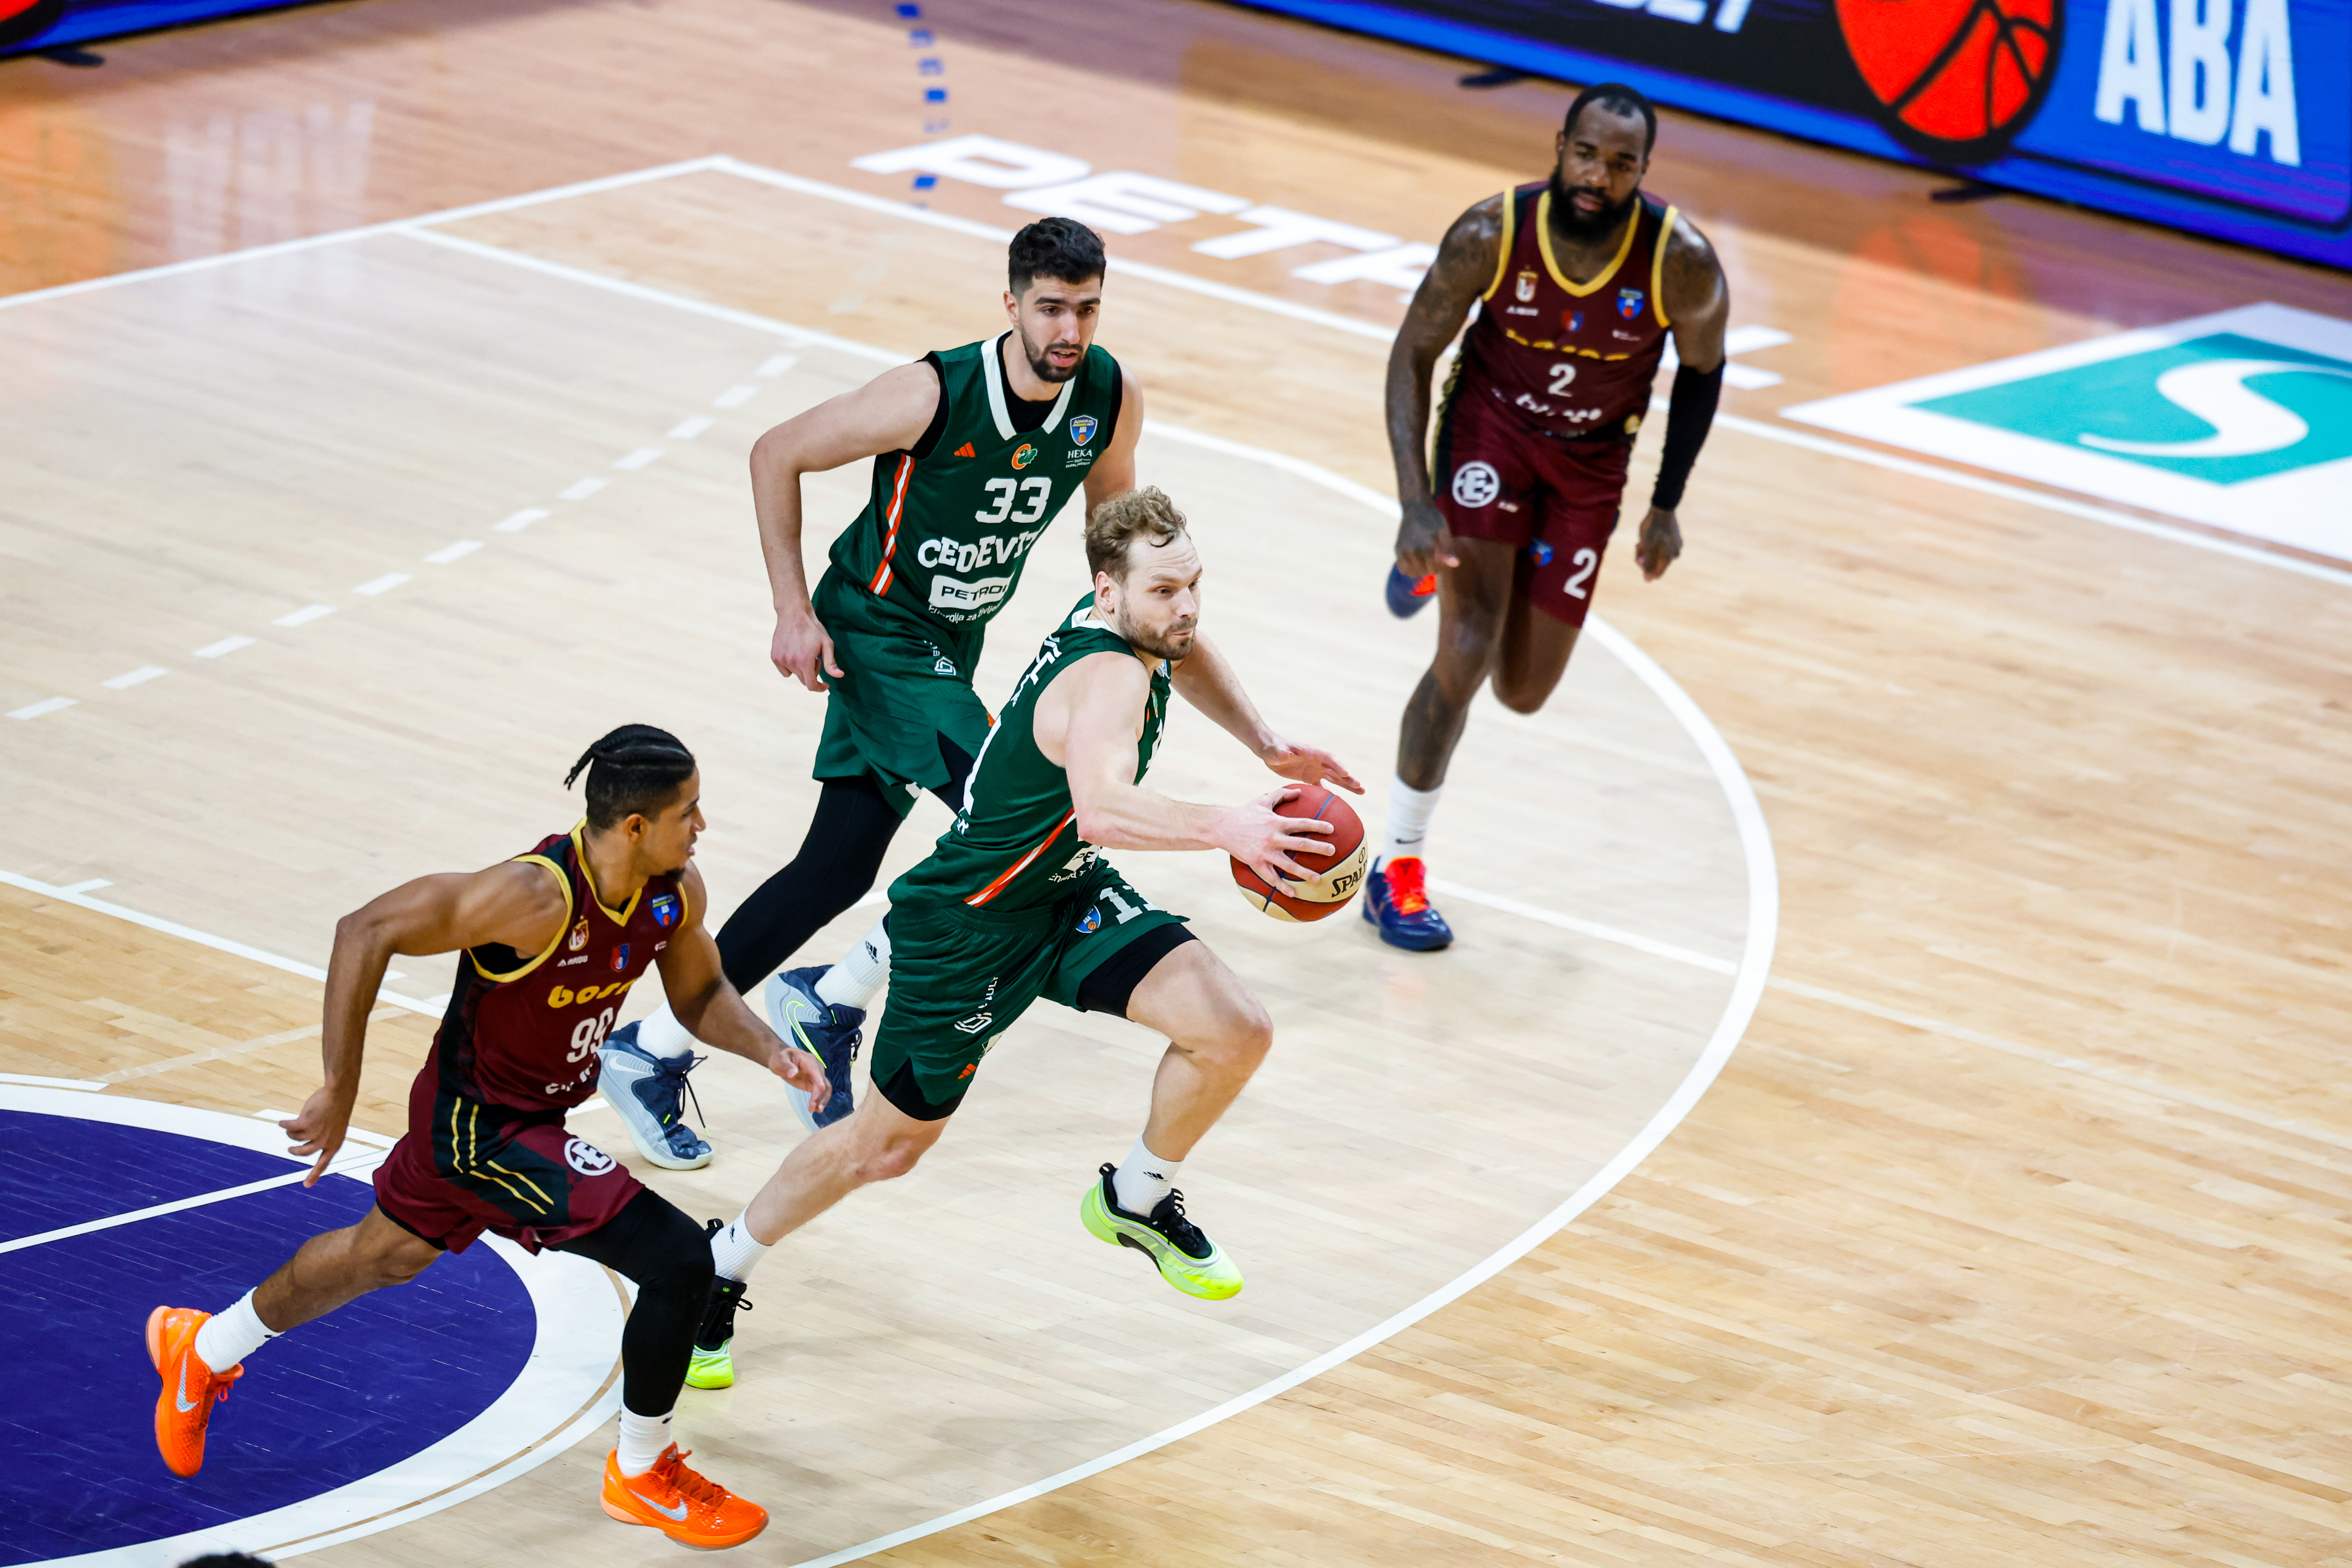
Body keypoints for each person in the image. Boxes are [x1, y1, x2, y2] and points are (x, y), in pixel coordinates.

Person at [682, 488, 1360, 1389]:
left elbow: (1186, 653)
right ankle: (720, 1262)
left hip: (1065, 895)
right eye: (1165, 591)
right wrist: (1229, 825)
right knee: (881, 1149)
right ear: (1107, 593)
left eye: (1194, 583)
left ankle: (1136, 1196)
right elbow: (1103, 809)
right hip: (967, 926)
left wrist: (1266, 741)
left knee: (1235, 1027)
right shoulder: (1109, 673)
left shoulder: (1136, 625)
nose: (1187, 607)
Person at [144, 727, 829, 1552]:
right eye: (688, 810)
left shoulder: (672, 890)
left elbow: (699, 990)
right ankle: (642, 1470)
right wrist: (339, 1085)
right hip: (479, 1128)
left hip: (527, 1119)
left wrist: (769, 1048)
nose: (703, 824)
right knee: (681, 1257)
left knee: (380, 1255)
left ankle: (204, 1344)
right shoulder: (531, 897)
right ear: (636, 825)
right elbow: (365, 928)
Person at [596, 216, 1143, 1170]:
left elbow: (1113, 540)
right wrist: (793, 611)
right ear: (1010, 303)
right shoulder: (930, 393)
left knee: (836, 867)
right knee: (1010, 815)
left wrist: (1120, 652)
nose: (1070, 331)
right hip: (879, 634)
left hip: (950, 644)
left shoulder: (1107, 393)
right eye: (1051, 308)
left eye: (1087, 310)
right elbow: (776, 451)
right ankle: (840, 993)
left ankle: (654, 1049)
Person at [1367, 82, 1729, 951]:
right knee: (1468, 645)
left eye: (1621, 163)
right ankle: (1399, 868)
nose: (1598, 177)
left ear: (1644, 170)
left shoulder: (1681, 260)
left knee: (1523, 691)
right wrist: (1416, 501)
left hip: (1590, 466)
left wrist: (1667, 503)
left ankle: (1452, 556)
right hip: (1491, 432)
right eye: (1586, 154)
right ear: (1558, 145)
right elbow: (1415, 350)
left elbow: (1704, 374)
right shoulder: (1492, 232)